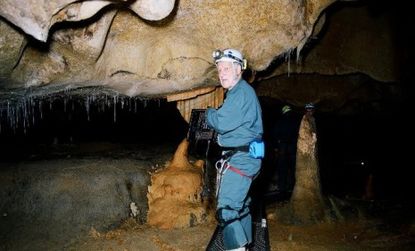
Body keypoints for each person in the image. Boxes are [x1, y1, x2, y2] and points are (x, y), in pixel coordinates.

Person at [206, 48, 263, 251]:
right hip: (248, 157)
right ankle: (246, 245)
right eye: (219, 69)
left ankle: (238, 248)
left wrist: (209, 113)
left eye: (227, 68)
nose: (222, 73)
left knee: (227, 211)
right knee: (241, 207)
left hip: (241, 158)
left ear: (239, 69)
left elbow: (221, 122)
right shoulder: (241, 92)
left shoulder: (239, 92)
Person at [269, 104, 301, 196]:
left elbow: (274, 135)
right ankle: (292, 187)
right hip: (292, 148)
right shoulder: (295, 121)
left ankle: (282, 187)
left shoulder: (279, 122)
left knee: (282, 169)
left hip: (283, 148)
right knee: (293, 168)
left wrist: (276, 147)